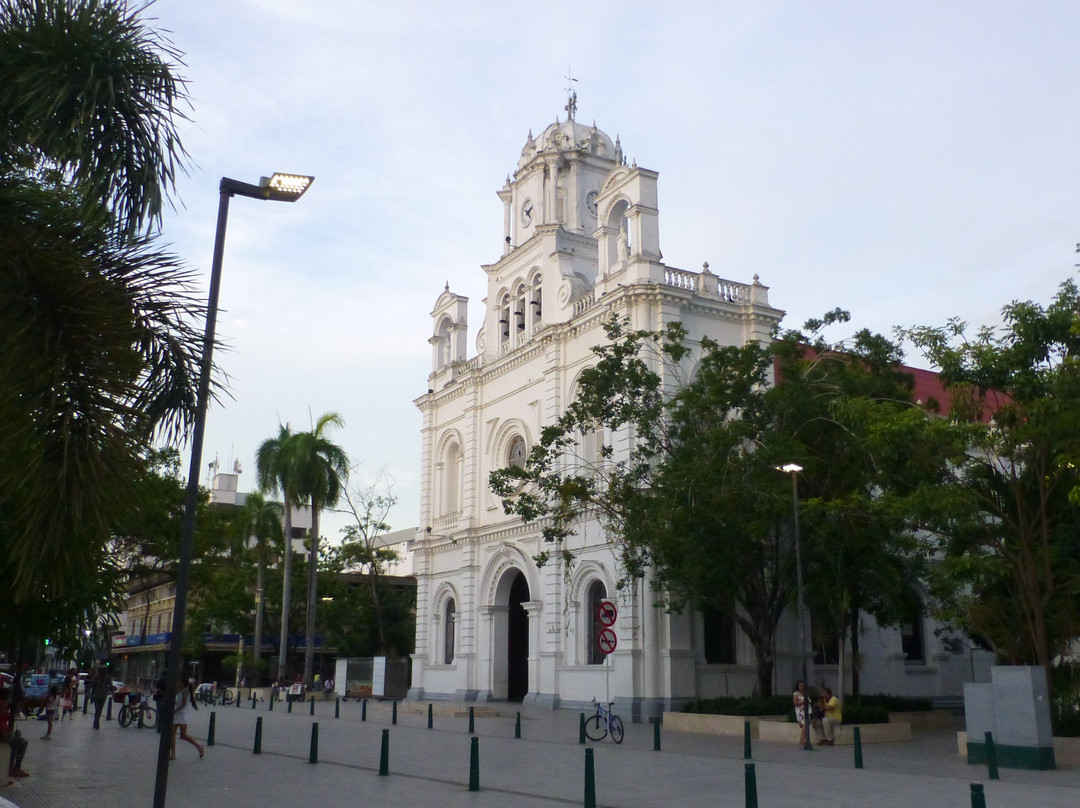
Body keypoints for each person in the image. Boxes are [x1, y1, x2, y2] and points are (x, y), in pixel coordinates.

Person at [170, 675, 204, 761]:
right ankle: (173, 754)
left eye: (179, 681)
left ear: (182, 682)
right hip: (178, 714)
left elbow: (183, 704)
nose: (177, 683)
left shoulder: (185, 691)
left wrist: (174, 711)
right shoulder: (180, 690)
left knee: (183, 735)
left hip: (182, 715)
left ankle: (199, 746)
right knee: (172, 734)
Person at [0, 689, 29, 779]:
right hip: (2, 733)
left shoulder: (3, 703)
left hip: (4, 731)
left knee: (17, 736)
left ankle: (11, 766)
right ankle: (17, 768)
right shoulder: (2, 703)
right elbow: (6, 715)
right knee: (23, 743)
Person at [792, 680, 811, 749]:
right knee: (804, 725)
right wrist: (802, 702)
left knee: (806, 725)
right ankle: (802, 740)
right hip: (800, 711)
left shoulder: (806, 693)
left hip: (806, 710)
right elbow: (795, 703)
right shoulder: (796, 694)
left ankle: (802, 739)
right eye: (800, 685)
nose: (802, 687)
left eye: (803, 685)